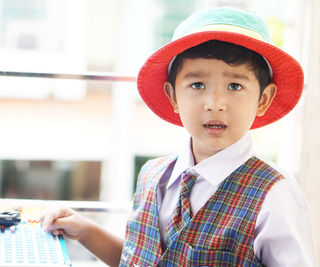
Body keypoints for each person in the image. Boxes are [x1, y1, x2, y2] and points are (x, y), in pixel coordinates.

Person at [41, 7, 317, 266]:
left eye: (235, 85)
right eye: (197, 84)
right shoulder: (152, 175)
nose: (214, 103)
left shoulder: (275, 193)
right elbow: (142, 258)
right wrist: (86, 231)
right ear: (173, 96)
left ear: (263, 99)